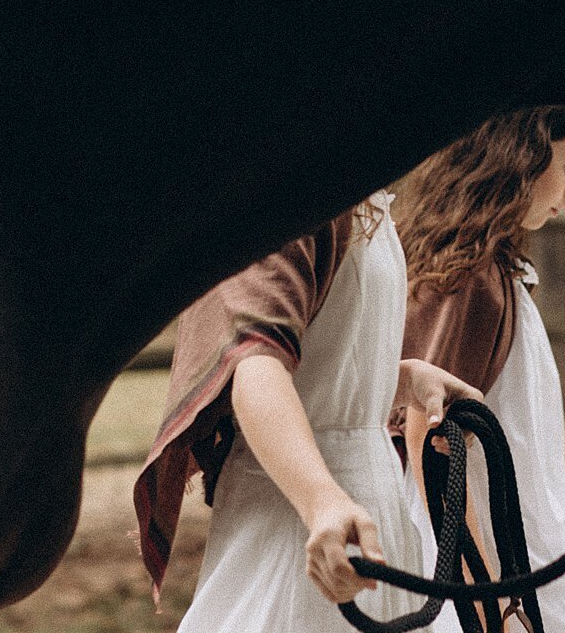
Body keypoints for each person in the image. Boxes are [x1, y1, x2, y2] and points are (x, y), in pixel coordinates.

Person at [133, 191, 481, 632]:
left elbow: (322, 358)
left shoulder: (364, 193)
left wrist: (400, 379)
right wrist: (320, 501)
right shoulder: (287, 194)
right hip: (304, 516)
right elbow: (256, 366)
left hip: (370, 509)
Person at [397, 106, 565, 633]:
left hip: (524, 541)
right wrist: (483, 602)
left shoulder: (486, 268)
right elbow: (429, 437)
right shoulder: (470, 282)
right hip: (496, 554)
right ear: (522, 158)